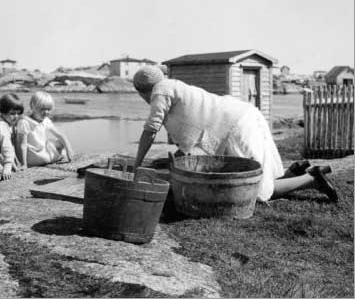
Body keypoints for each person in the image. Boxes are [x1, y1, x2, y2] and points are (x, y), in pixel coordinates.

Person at [132, 66, 337, 203]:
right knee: (252, 177)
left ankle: (311, 179)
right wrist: (175, 159)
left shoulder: (160, 91)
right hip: (239, 117)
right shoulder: (174, 87)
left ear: (142, 92)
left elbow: (150, 130)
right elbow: (196, 129)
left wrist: (137, 164)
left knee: (250, 191)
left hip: (236, 126)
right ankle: (294, 171)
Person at [15, 91, 74, 168]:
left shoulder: (45, 120)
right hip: (34, 157)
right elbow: (22, 145)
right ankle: (57, 156)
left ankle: (58, 155)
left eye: (48, 109)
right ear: (32, 106)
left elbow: (61, 136)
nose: (46, 112)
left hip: (39, 153)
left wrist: (69, 150)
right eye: (42, 109)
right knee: (57, 147)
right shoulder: (25, 122)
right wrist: (24, 164)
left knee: (58, 142)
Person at [0, 93, 24, 170]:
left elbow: (14, 146)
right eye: (12, 113)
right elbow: (4, 149)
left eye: (18, 113)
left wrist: (20, 162)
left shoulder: (12, 126)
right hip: (0, 158)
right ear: (2, 113)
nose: (16, 116)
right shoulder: (1, 126)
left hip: (8, 156)